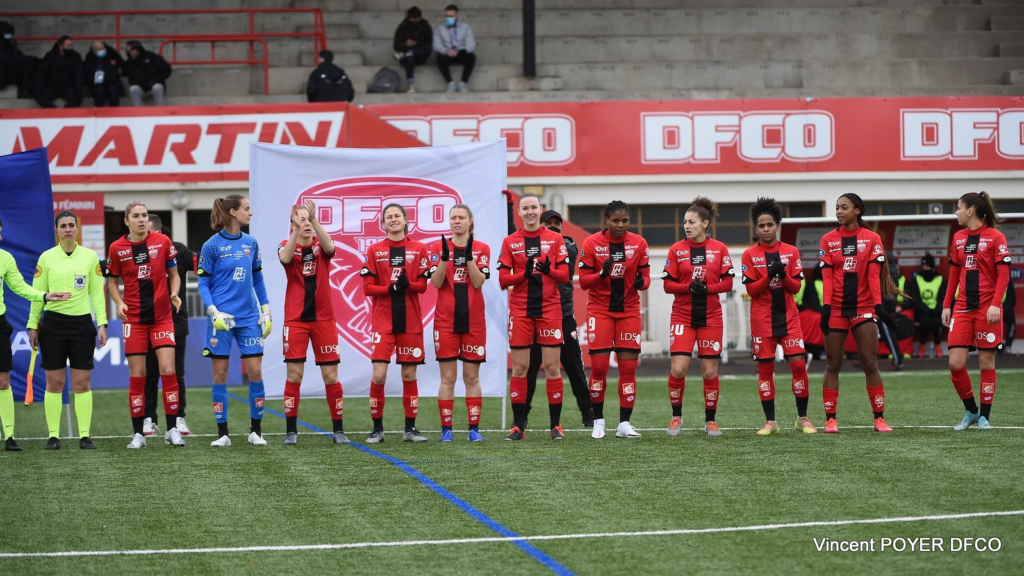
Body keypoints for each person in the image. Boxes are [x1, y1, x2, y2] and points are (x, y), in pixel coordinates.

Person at [818, 193, 904, 434]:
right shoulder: (827, 240)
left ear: (858, 210)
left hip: (864, 308)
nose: (839, 211)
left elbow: (873, 276)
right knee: (833, 363)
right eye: (837, 207)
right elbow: (826, 277)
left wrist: (879, 307)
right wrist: (826, 308)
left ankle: (879, 419)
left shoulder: (872, 238)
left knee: (869, 363)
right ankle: (830, 419)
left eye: (844, 207)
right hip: (835, 309)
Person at [106, 202, 184, 449]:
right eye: (136, 216)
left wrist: (174, 293)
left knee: (168, 371)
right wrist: (119, 303)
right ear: (126, 221)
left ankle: (172, 429)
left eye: (144, 215)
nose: (141, 219)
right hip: (135, 321)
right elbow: (111, 283)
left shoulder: (162, 242)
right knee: (137, 376)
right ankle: (138, 433)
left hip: (162, 317)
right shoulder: (117, 248)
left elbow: (174, 274)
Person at [28, 212, 107, 450]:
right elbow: (37, 294)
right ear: (56, 230)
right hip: (53, 325)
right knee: (54, 383)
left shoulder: (90, 256)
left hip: (82, 325)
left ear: (77, 228)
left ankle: (85, 435)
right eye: (63, 226)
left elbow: (97, 294)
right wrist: (33, 324)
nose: (68, 229)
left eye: (72, 225)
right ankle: (54, 436)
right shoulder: (46, 257)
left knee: (82, 383)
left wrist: (101, 324)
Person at [197, 195, 272, 447]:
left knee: (256, 371)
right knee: (220, 375)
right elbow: (203, 282)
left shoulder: (252, 242)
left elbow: (258, 278)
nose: (250, 213)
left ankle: (256, 432)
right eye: (246, 209)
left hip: (250, 317)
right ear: (232, 212)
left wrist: (266, 309)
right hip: (222, 320)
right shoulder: (211, 245)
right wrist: (213, 311)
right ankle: (223, 434)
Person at [499, 193, 571, 440]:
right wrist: (524, 276)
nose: (530, 211)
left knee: (552, 368)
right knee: (519, 369)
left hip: (550, 310)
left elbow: (565, 276)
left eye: (534, 207)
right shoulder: (510, 241)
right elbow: (502, 280)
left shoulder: (555, 238)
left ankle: (556, 427)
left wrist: (548, 270)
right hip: (520, 311)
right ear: (519, 212)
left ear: (540, 211)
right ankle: (519, 427)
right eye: (525, 208)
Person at [661, 197, 735, 437]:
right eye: (684, 222)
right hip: (682, 316)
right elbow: (668, 286)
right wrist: (687, 288)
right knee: (679, 369)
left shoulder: (719, 248)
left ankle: (710, 421)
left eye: (691, 222)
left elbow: (728, 282)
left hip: (711, 316)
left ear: (705, 223)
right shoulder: (676, 249)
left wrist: (708, 289)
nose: (687, 226)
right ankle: (676, 417)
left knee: (710, 372)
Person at [741, 198, 815, 436]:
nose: (765, 229)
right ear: (756, 228)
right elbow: (752, 290)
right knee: (765, 372)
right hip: (762, 322)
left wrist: (782, 275)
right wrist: (767, 276)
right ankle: (770, 422)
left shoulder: (791, 252)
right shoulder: (749, 255)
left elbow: (795, 288)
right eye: (761, 225)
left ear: (777, 226)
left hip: (789, 320)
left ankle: (802, 418)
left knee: (799, 367)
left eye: (769, 224)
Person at [577, 201, 650, 439]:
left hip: (629, 311)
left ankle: (624, 424)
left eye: (624, 220)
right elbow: (584, 281)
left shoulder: (639, 243)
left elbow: (646, 276)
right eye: (615, 220)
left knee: (628, 370)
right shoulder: (591, 243)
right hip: (601, 310)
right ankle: (598, 421)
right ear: (606, 220)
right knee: (598, 368)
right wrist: (601, 274)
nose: (620, 225)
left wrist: (642, 283)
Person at [360, 204, 432, 443]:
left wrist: (407, 285)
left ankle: (410, 430)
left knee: (409, 375)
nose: (393, 220)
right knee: (378, 376)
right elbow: (367, 288)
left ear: (405, 220)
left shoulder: (418, 248)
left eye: (397, 216)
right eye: (388, 216)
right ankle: (377, 429)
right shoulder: (374, 249)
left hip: (410, 321)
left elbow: (422, 287)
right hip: (383, 322)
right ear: (383, 223)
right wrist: (391, 288)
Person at [278, 199, 347, 445]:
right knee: (295, 376)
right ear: (293, 223)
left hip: (324, 320)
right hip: (296, 320)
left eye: (309, 219)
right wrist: (296, 230)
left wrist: (314, 220)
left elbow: (330, 248)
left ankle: (338, 430)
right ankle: (291, 431)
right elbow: (286, 260)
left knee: (330, 376)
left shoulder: (321, 246)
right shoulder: (286, 246)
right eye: (300, 219)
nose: (306, 223)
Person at [942, 191, 1011, 431]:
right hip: (962, 309)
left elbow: (1003, 274)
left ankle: (985, 416)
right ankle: (971, 411)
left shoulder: (996, 237)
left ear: (970, 210)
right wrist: (946, 305)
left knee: (985, 363)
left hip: (986, 309)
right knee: (955, 363)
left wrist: (995, 304)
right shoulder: (958, 237)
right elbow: (953, 274)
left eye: (958, 207)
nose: (956, 212)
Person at [0, 218, 70, 452]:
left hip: (0, 324)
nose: (0, 238)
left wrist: (44, 296)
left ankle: (9, 437)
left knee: (3, 381)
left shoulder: (6, 258)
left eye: (1, 232)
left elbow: (20, 287)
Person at [524, 210, 594, 430]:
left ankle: (588, 413)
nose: (554, 226)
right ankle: (521, 417)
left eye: (557, 223)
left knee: (574, 365)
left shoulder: (569, 245)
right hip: (535, 314)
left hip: (562, 314)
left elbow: (563, 268)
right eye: (549, 223)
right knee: (530, 367)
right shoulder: (530, 243)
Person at [429, 204, 489, 442]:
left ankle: (473, 429)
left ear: (470, 221)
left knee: (472, 378)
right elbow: (435, 282)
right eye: (453, 218)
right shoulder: (437, 247)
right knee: (448, 378)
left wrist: (470, 257)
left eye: (461, 217)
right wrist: (444, 258)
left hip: (474, 322)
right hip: (445, 322)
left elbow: (477, 282)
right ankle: (446, 430)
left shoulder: (482, 248)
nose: (457, 221)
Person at [140, 214, 196, 438]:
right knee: (150, 373)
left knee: (176, 373)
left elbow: (202, 266)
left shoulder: (178, 250)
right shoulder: (138, 251)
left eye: (151, 232)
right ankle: (149, 419)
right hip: (147, 320)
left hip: (175, 320)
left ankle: (179, 418)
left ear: (161, 233)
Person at [907, 253, 946, 358]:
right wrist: (926, 309)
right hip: (922, 311)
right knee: (926, 321)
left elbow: (943, 297)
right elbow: (915, 298)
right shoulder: (917, 279)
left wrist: (937, 309)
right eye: (923, 266)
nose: (925, 269)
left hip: (937, 311)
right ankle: (922, 345)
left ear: (932, 267)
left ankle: (938, 344)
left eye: (927, 266)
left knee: (938, 321)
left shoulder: (939, 278)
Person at [433, 4, 476, 93]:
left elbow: (471, 44)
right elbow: (436, 44)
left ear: (457, 16)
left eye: (451, 16)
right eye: (447, 16)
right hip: (447, 53)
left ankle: (463, 83)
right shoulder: (439, 28)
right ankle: (450, 83)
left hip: (461, 52)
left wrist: (461, 51)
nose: (449, 18)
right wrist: (446, 51)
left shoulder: (466, 27)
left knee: (471, 57)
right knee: (439, 58)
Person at [34, 35, 82, 108]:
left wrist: (78, 91)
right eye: (68, 46)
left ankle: (64, 114)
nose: (71, 48)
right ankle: (54, 112)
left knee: (77, 98)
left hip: (68, 88)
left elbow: (78, 74)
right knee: (39, 96)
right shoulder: (49, 56)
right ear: (61, 46)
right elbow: (42, 73)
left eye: (72, 46)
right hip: (52, 87)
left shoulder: (75, 56)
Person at [393, 6, 433, 93]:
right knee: (409, 57)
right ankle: (410, 85)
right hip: (406, 57)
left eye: (416, 20)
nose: (414, 22)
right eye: (412, 20)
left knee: (428, 48)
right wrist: (406, 44)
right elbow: (396, 45)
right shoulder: (402, 27)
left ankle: (409, 53)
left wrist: (417, 43)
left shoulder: (425, 27)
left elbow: (429, 43)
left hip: (420, 56)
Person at [123, 41, 170, 107]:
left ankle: (160, 111)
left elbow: (167, 69)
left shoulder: (151, 56)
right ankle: (139, 113)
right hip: (142, 89)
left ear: (137, 49)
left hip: (154, 86)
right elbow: (124, 72)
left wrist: (156, 80)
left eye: (132, 50)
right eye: (128, 51)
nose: (130, 52)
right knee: (133, 89)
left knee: (157, 87)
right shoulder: (129, 62)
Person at [0, 21, 37, 98]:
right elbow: (7, 61)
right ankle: (24, 92)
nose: (9, 36)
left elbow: (19, 56)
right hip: (3, 75)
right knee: (28, 63)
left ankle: (27, 90)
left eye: (10, 34)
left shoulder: (11, 45)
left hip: (10, 71)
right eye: (6, 34)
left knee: (32, 62)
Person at [82, 40, 124, 107]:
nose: (102, 50)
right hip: (97, 84)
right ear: (94, 50)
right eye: (99, 49)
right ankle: (98, 114)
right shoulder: (89, 59)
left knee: (113, 90)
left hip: (112, 82)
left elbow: (121, 64)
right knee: (99, 91)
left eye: (103, 48)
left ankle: (115, 113)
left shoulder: (112, 54)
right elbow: (86, 74)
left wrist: (119, 70)